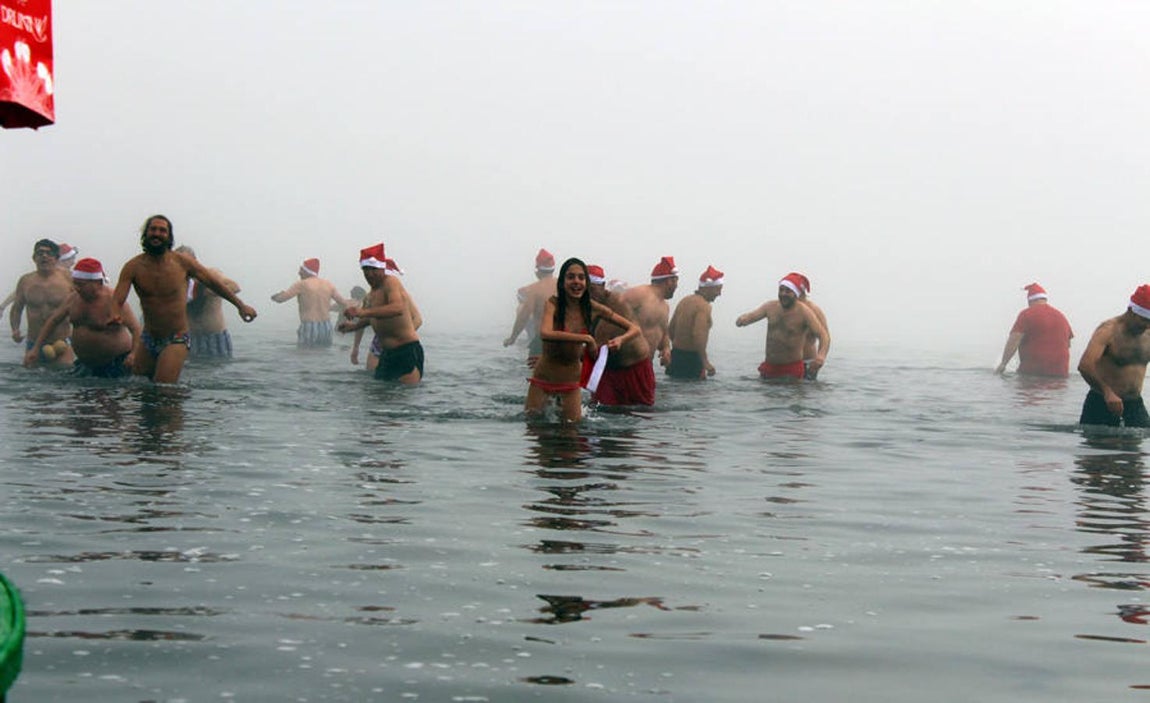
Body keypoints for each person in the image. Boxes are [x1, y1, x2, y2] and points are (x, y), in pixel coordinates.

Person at [112, 214, 257, 383]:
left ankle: (177, 406)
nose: (157, 234)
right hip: (149, 338)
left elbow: (216, 283)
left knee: (164, 389)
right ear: (146, 234)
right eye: (153, 229)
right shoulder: (133, 267)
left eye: (162, 230)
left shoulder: (183, 263)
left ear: (169, 236)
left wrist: (240, 306)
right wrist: (115, 314)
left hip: (176, 337)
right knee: (140, 387)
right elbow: (118, 299)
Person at [525, 257, 640, 423]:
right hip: (543, 378)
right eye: (571, 277)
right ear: (562, 281)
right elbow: (545, 333)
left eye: (581, 277)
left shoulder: (592, 308)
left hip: (570, 382)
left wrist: (621, 340)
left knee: (572, 436)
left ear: (586, 282)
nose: (576, 281)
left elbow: (634, 329)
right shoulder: (553, 304)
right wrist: (587, 339)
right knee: (534, 429)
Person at [24, 258, 140, 377]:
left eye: (81, 284)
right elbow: (53, 321)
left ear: (97, 283)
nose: (76, 288)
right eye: (75, 283)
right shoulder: (73, 299)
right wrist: (35, 349)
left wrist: (134, 354)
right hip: (86, 365)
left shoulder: (114, 300)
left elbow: (136, 329)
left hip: (115, 363)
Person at [338, 244, 424, 384]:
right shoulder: (370, 295)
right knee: (377, 396)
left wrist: (361, 312)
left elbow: (397, 308)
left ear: (382, 268)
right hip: (386, 353)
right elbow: (371, 317)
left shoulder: (391, 282)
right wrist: (353, 327)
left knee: (404, 399)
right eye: (366, 270)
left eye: (374, 269)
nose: (370, 274)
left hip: (405, 350)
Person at [1076, 285, 1150, 427]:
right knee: (1103, 448)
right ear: (1131, 311)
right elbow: (1085, 365)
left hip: (1134, 404)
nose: (1147, 326)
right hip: (1102, 402)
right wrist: (1107, 392)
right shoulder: (1108, 331)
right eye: (1144, 320)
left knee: (1137, 447)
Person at [736, 272, 829, 380]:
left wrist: (821, 356)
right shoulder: (771, 306)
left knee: (795, 394)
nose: (783, 294)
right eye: (781, 290)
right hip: (770, 366)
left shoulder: (806, 311)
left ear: (796, 293)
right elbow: (752, 316)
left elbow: (824, 335)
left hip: (794, 367)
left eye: (788, 291)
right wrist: (743, 319)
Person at [587, 264, 654, 405]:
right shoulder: (584, 306)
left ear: (603, 286)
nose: (589, 295)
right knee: (600, 411)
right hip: (608, 371)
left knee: (640, 413)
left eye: (592, 290)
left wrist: (621, 339)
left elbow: (599, 344)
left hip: (635, 368)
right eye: (585, 291)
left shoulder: (616, 302)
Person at [10, 238, 75, 368]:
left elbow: (83, 302)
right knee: (31, 381)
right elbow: (17, 308)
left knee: (63, 379)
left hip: (61, 342)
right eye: (40, 253)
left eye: (48, 253)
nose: (44, 256)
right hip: (33, 343)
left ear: (56, 258)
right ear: (34, 258)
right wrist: (15, 329)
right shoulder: (26, 281)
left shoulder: (68, 278)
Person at [175, 245, 242, 359]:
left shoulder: (210, 274)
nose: (184, 266)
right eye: (180, 262)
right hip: (191, 338)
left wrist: (210, 291)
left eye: (187, 261)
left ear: (195, 261)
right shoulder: (175, 281)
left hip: (215, 337)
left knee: (219, 371)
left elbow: (235, 287)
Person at [271, 258, 354, 348]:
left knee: (306, 356)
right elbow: (344, 303)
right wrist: (347, 321)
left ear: (307, 271)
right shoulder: (328, 284)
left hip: (309, 326)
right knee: (324, 355)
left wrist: (275, 296)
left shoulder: (302, 284)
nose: (299, 273)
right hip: (326, 327)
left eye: (301, 270)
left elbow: (282, 299)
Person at [995, 282, 1074, 377]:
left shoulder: (1026, 314)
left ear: (1030, 301)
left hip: (1034, 373)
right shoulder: (1061, 316)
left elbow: (1014, 339)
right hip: (1061, 375)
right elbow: (1068, 344)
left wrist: (1003, 364)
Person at [620, 256, 679, 369]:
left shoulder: (664, 306)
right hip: (627, 364)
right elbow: (612, 315)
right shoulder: (640, 294)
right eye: (676, 281)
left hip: (646, 365)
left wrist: (666, 348)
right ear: (669, 281)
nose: (677, 286)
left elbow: (664, 333)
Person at [666, 265, 724, 380]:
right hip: (692, 361)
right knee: (696, 395)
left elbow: (671, 330)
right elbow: (698, 334)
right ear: (708, 288)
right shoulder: (704, 306)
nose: (719, 293)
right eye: (718, 289)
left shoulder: (685, 301)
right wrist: (705, 362)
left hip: (676, 357)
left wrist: (678, 349)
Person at [504, 248, 556, 367]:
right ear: (553, 269)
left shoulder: (534, 290)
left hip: (543, 341)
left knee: (536, 380)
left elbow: (524, 316)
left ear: (537, 271)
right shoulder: (564, 286)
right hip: (565, 341)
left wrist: (512, 338)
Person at [795, 275, 830, 380]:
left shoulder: (814, 310)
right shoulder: (783, 308)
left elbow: (825, 337)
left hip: (807, 363)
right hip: (784, 364)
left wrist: (821, 357)